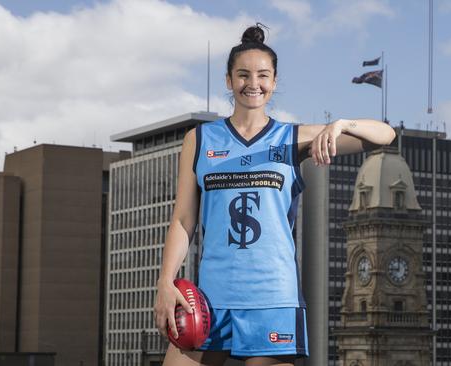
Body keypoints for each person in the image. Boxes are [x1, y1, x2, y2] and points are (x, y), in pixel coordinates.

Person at [154, 24, 396, 366]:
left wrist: (342, 124)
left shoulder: (292, 137)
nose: (253, 83)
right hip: (210, 299)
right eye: (243, 75)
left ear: (275, 82)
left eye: (263, 75)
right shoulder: (200, 139)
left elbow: (385, 135)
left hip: (273, 299)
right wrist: (165, 282)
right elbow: (183, 220)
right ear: (228, 80)